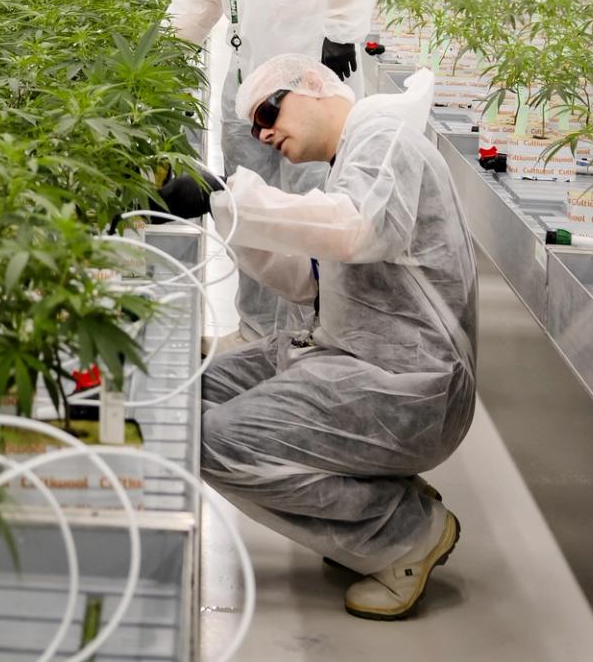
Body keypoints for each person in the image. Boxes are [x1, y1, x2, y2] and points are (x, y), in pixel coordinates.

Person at [158, 55, 478, 621]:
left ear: (311, 85)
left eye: (266, 112)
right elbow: (309, 280)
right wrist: (221, 208)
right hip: (352, 357)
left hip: (408, 389)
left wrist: (227, 198)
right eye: (254, 126)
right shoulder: (353, 158)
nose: (261, 133)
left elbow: (351, 227)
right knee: (179, 401)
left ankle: (404, 533)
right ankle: (377, 503)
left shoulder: (385, 141)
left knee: (213, 441)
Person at [138, 0, 378, 340]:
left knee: (306, 198)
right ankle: (255, 330)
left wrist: (341, 31)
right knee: (244, 197)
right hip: (250, 71)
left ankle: (313, 329)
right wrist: (154, 57)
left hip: (310, 73)